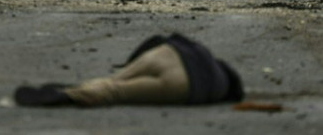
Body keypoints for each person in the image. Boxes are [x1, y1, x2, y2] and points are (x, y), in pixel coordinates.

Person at [14, 33, 244, 107]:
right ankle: (70, 95)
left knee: (115, 79)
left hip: (167, 53)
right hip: (184, 84)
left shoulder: (204, 53)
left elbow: (158, 39)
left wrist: (129, 64)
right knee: (118, 93)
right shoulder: (219, 88)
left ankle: (96, 83)